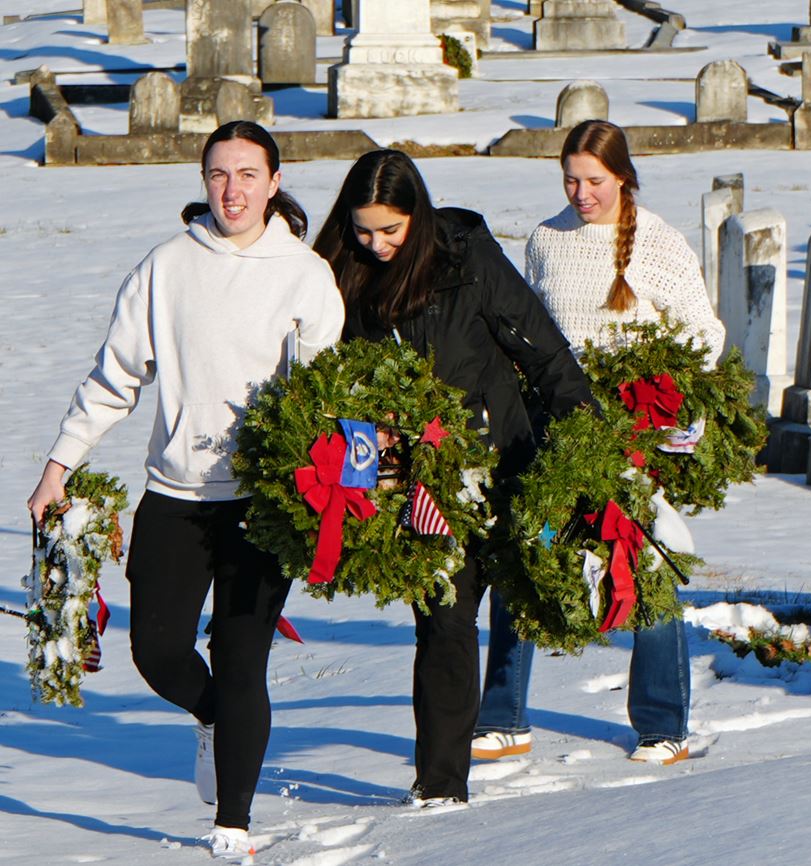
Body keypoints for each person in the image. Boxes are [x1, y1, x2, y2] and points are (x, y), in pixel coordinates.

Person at [26, 120, 345, 860]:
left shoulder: (303, 274)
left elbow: (326, 394)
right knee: (158, 651)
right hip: (175, 497)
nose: (231, 190)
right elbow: (114, 379)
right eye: (217, 175)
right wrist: (58, 466)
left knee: (243, 661)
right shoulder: (166, 267)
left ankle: (232, 822)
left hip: (264, 501)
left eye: (246, 174)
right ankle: (218, 722)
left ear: (274, 180)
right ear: (203, 182)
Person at [312, 149, 595, 807]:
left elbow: (542, 348)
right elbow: (333, 381)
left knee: (527, 597)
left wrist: (587, 443)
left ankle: (510, 717)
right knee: (443, 620)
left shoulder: (467, 259)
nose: (375, 244)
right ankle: (441, 786)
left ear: (419, 215)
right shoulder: (339, 278)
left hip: (502, 458)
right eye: (362, 229)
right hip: (420, 482)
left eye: (390, 230)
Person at [473, 119, 724, 767]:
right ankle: (504, 716)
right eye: (571, 180)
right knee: (524, 559)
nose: (582, 193)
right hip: (554, 427)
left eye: (595, 181)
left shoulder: (660, 245)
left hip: (630, 432)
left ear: (622, 177)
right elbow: (530, 331)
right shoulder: (546, 240)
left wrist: (661, 399)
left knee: (644, 566)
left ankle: (663, 725)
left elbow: (705, 334)